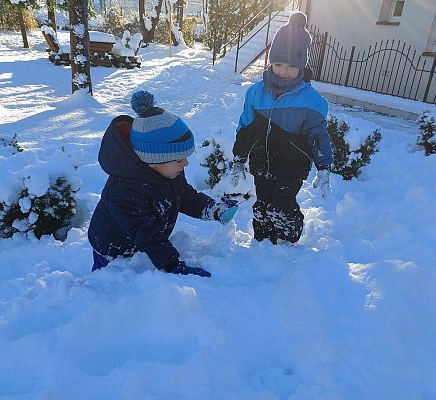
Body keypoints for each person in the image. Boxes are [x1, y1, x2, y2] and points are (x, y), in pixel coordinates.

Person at [88, 90, 238, 277]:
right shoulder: (124, 191)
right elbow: (146, 233)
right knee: (112, 286)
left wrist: (213, 209)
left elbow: (185, 196)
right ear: (153, 160)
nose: (185, 163)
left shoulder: (168, 172)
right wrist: (172, 264)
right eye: (178, 159)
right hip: (114, 249)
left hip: (142, 243)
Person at [230, 12, 333, 245]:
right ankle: (263, 241)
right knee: (263, 203)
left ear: (301, 65)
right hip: (262, 161)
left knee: (282, 203)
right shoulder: (256, 93)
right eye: (278, 64)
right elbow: (245, 126)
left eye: (290, 65)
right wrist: (239, 157)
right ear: (270, 62)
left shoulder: (311, 101)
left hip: (292, 164)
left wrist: (324, 166)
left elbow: (318, 136)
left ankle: (288, 238)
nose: (283, 70)